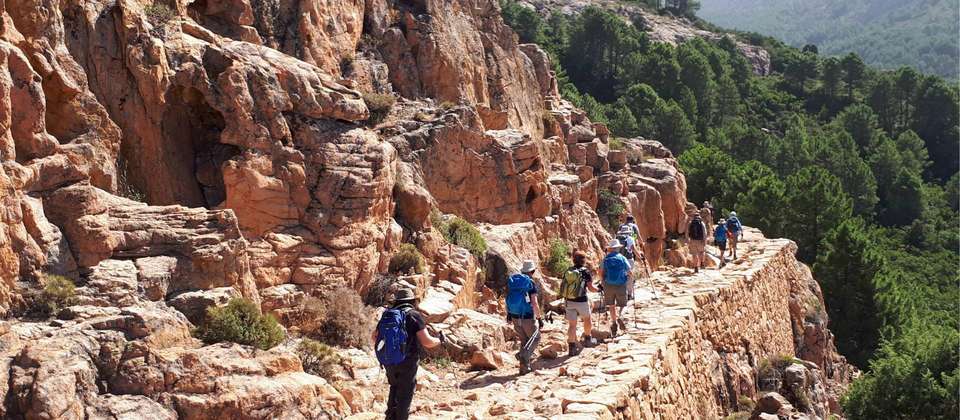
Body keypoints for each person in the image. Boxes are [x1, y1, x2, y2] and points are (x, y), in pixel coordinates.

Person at [373, 287, 443, 420]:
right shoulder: (413, 315)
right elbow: (427, 342)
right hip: (407, 362)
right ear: (412, 300)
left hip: (389, 361)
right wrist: (439, 341)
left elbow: (374, 337)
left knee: (394, 388)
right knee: (404, 396)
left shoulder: (388, 314)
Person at [505, 260, 544, 374]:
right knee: (536, 338)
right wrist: (539, 318)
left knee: (524, 340)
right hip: (527, 316)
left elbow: (508, 297)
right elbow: (534, 302)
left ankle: (523, 367)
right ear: (532, 271)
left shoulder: (514, 282)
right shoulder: (530, 283)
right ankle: (523, 356)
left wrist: (509, 314)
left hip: (514, 315)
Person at [558, 251, 599, 356]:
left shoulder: (568, 271)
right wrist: (599, 289)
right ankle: (588, 339)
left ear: (573, 260)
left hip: (569, 301)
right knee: (587, 319)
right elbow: (591, 288)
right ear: (584, 260)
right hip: (581, 301)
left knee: (572, 325)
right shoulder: (585, 271)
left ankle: (571, 348)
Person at [598, 239, 631, 336]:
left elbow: (600, 272)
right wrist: (628, 277)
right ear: (617, 249)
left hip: (608, 285)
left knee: (611, 305)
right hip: (621, 284)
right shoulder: (622, 258)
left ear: (610, 249)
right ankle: (621, 316)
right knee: (623, 305)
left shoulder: (605, 259)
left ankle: (614, 322)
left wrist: (602, 281)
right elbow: (629, 271)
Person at [615, 225, 641, 299]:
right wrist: (640, 257)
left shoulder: (617, 238)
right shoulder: (630, 238)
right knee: (629, 276)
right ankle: (629, 294)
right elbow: (633, 249)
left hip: (619, 259)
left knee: (621, 276)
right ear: (629, 232)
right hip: (629, 259)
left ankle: (621, 293)